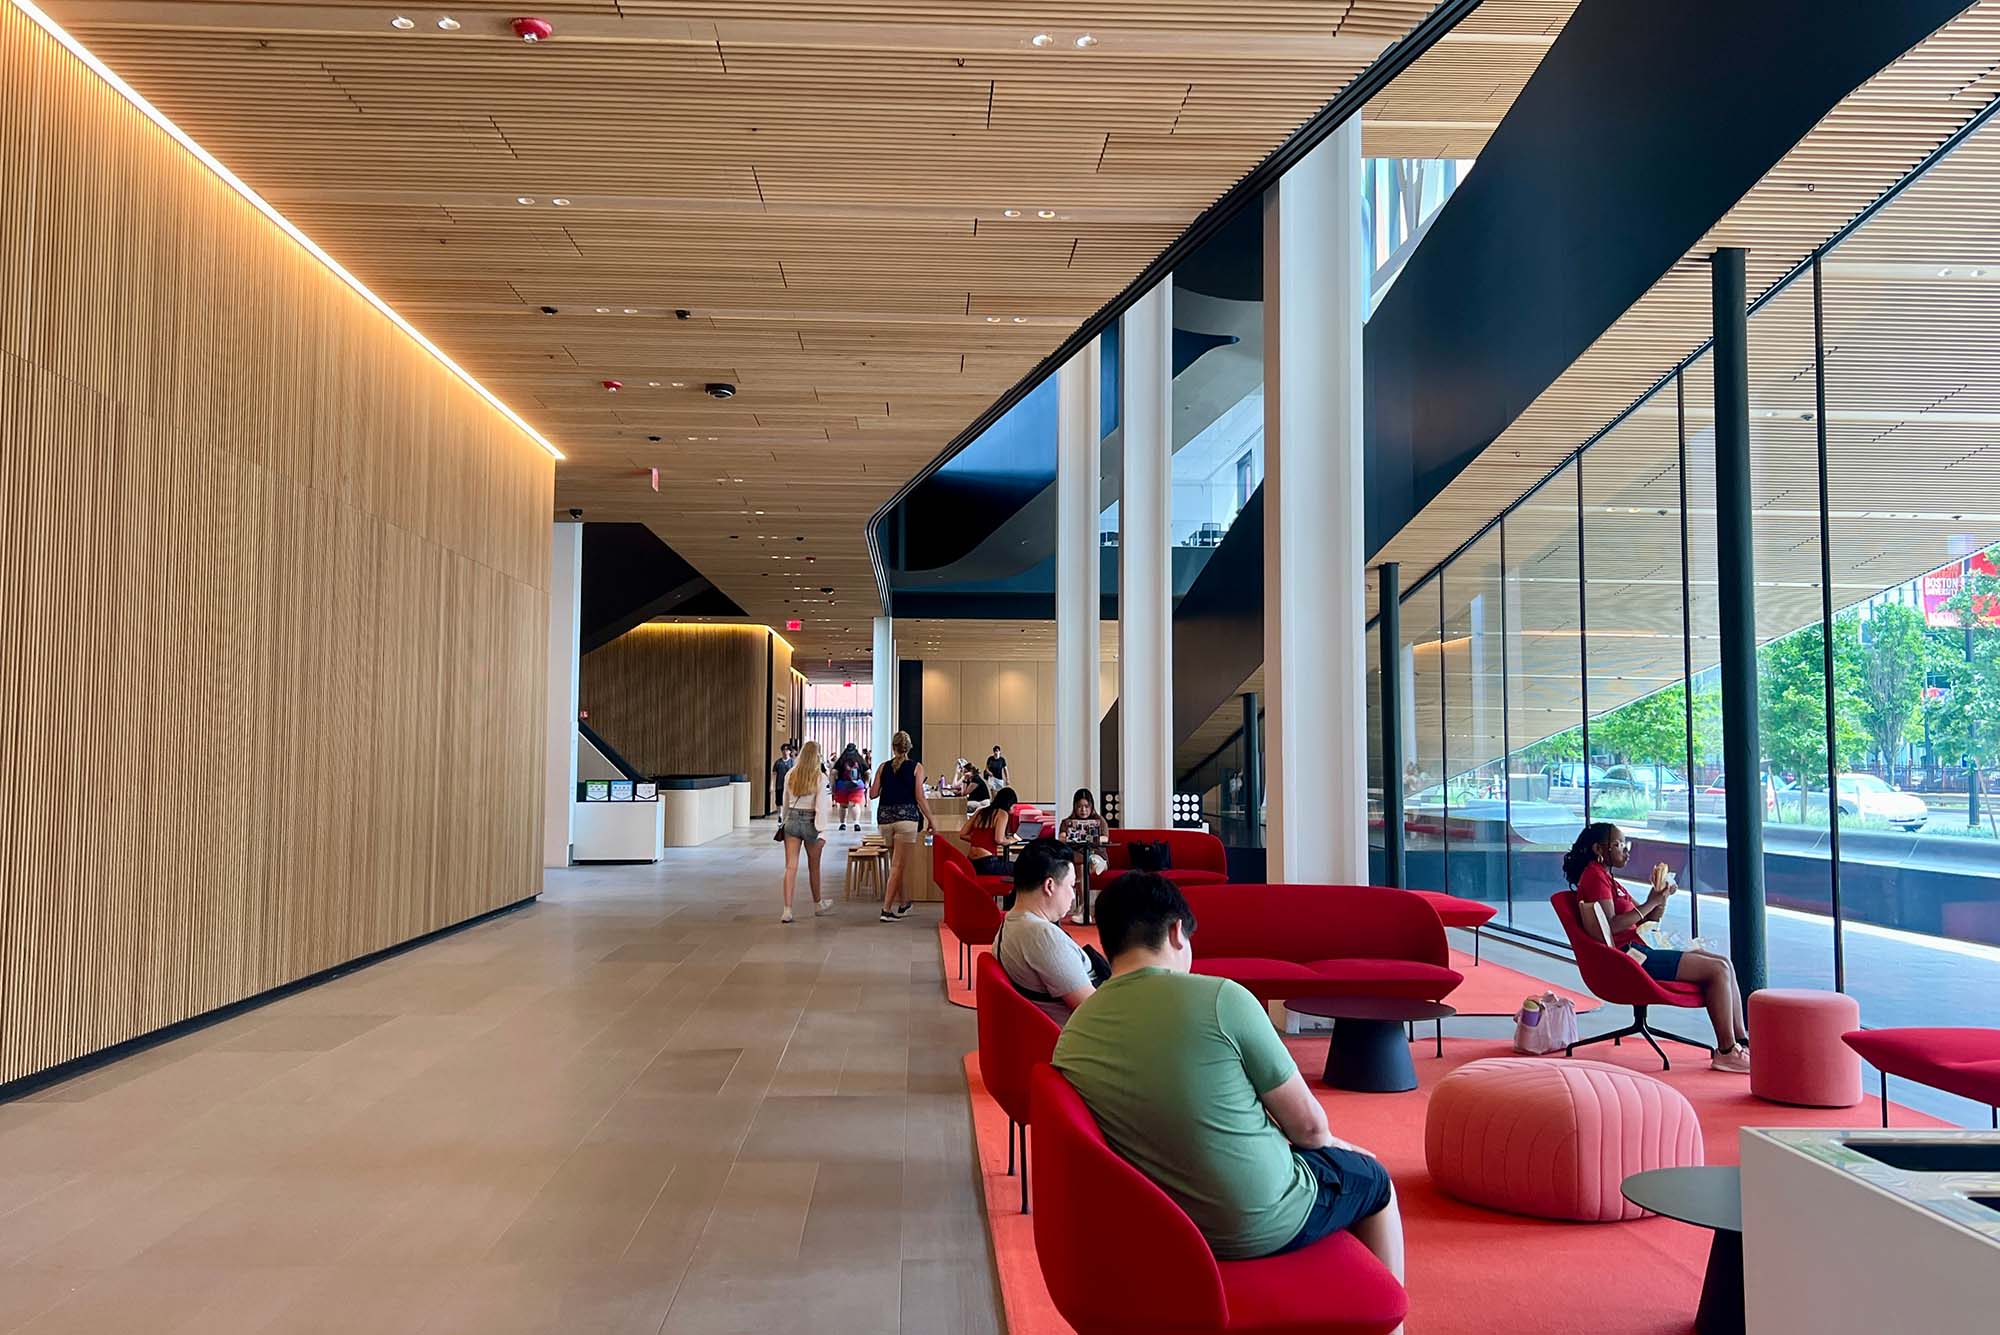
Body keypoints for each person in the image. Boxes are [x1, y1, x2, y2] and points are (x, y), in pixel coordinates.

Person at [1052, 874, 1405, 1284]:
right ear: (1176, 932)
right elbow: (1309, 1128)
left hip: (1154, 1225)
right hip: (1255, 1221)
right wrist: (1345, 1150)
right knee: (1373, 1181)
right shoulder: (1222, 998)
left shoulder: (1076, 1030)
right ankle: (1384, 1317)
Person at [1563, 822, 1751, 1072]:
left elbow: (1647, 921)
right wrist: (1650, 902)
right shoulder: (1595, 877)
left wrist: (1659, 897)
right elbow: (1612, 926)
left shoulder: (1606, 877)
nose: (1626, 851)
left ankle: (1740, 1042)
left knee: (1723, 963)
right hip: (1628, 958)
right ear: (1600, 848)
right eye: (1619, 845)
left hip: (1639, 949)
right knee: (1718, 971)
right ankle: (1727, 1051)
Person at [993, 842, 1104, 1024]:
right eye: (1071, 885)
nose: (1073, 895)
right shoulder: (1042, 936)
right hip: (1079, 1040)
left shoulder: (1011, 922)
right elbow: (1094, 1011)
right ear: (1050, 886)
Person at [871, 730, 937, 922]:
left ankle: (904, 901)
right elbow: (919, 797)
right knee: (898, 865)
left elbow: (873, 794)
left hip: (884, 818)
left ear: (893, 747)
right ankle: (886, 909)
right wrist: (932, 819)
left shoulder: (883, 767)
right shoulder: (916, 767)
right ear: (909, 748)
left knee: (896, 864)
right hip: (906, 819)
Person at [778, 741, 835, 924]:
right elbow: (821, 808)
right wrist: (822, 831)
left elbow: (785, 803)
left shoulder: (790, 775)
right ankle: (818, 904)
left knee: (790, 867)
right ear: (817, 756)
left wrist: (784, 820)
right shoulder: (820, 777)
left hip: (792, 822)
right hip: (811, 822)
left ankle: (787, 910)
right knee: (814, 866)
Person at [962, 786, 1019, 876]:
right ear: (1009, 803)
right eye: (1014, 805)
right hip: (987, 863)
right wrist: (1013, 840)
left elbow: (962, 834)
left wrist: (979, 839)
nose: (1014, 808)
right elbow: (999, 840)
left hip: (971, 862)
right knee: (1022, 868)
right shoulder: (1002, 813)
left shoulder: (980, 811)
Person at [830, 743, 867, 831]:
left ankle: (843, 824)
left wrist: (833, 785)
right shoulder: (859, 758)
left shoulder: (842, 758)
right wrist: (866, 783)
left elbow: (834, 772)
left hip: (842, 785)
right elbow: (868, 772)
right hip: (857, 785)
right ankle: (856, 823)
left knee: (843, 806)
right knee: (854, 804)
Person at [770, 742, 796, 813]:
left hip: (789, 785)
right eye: (784, 750)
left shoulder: (793, 762)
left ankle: (786, 815)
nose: (785, 752)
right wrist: (772, 785)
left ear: (790, 751)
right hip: (779, 785)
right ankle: (780, 816)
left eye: (787, 750)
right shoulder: (778, 762)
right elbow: (774, 774)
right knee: (779, 801)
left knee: (788, 801)